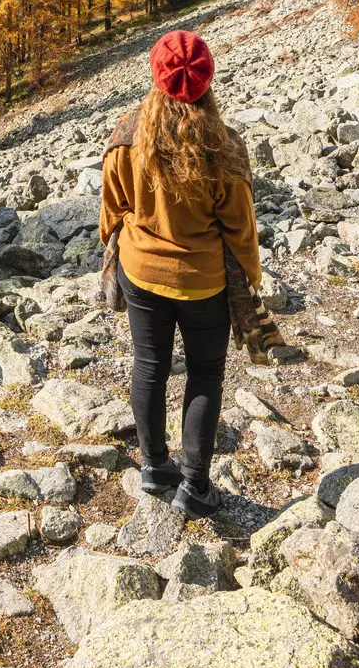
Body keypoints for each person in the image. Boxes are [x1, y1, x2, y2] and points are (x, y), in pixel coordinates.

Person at [98, 29, 260, 517]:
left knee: (149, 365)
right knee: (205, 373)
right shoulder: (225, 148)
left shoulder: (127, 134)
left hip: (140, 270)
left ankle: (153, 467)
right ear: (207, 80)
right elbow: (241, 228)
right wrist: (250, 278)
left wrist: (122, 245)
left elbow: (111, 210)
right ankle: (195, 487)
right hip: (203, 281)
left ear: (156, 75)